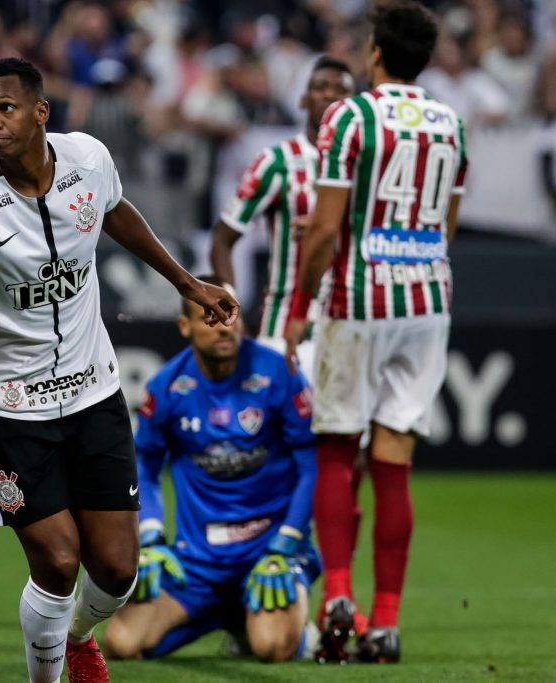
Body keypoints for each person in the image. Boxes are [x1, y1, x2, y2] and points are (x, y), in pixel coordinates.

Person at [0, 57, 239, 683]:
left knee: (116, 570)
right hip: (5, 407)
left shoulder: (87, 158)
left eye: (4, 109)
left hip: (92, 389)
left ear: (40, 112)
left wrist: (188, 284)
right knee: (58, 561)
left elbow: (114, 212)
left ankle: (80, 639)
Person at [284, 0, 468, 664]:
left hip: (361, 297)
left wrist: (300, 302)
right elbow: (446, 225)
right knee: (395, 459)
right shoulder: (452, 124)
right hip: (428, 300)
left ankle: (338, 596)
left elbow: (328, 228)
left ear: (376, 53)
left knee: (337, 445)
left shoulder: (351, 117)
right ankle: (386, 622)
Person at [101, 276, 320, 662]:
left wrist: (286, 543)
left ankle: (300, 632)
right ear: (184, 327)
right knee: (121, 643)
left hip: (268, 555)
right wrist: (151, 537)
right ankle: (227, 614)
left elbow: (311, 465)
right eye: (209, 316)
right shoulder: (167, 387)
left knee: (272, 647)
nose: (224, 325)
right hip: (197, 565)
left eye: (230, 314)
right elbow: (146, 470)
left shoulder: (279, 373)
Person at [210, 56, 356, 383]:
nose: (329, 95)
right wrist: (228, 302)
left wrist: (332, 229)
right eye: (320, 87)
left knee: (343, 435)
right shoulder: (277, 162)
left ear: (352, 106)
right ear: (304, 100)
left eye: (340, 90)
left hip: (349, 325)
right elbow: (223, 236)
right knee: (273, 433)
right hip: (281, 325)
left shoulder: (366, 166)